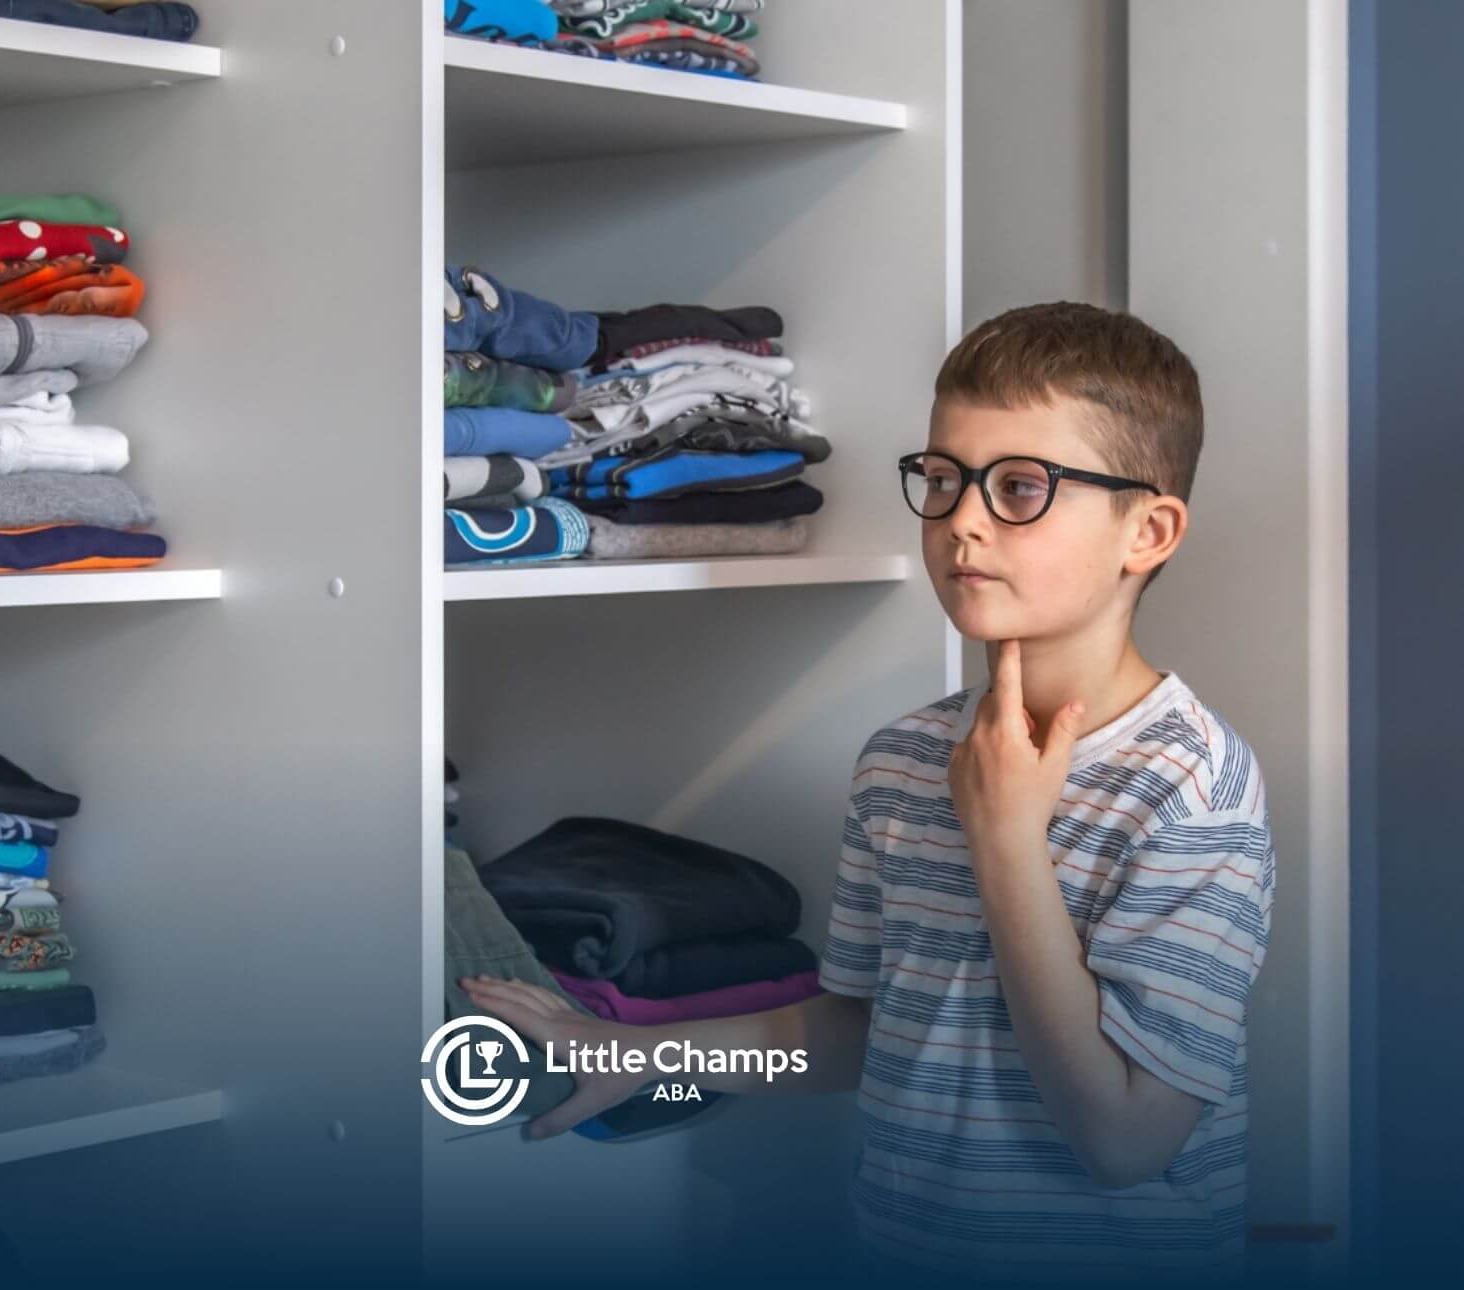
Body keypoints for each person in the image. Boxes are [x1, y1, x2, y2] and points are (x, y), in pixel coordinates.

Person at [461, 302, 1274, 1284]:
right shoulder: (902, 761)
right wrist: (650, 1054)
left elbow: (1125, 1140)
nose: (962, 521)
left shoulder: (1192, 789)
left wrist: (1006, 843)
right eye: (942, 479)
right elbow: (859, 1035)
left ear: (1144, 531)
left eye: (1018, 486)